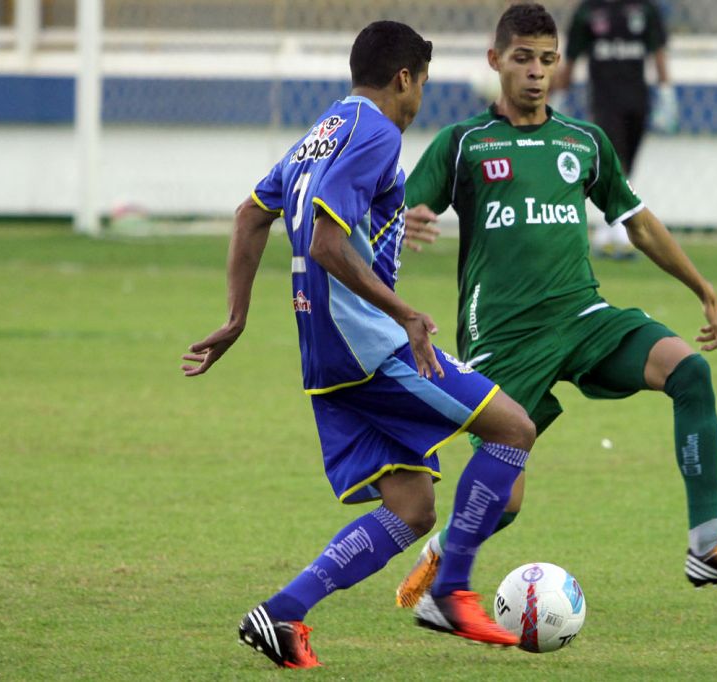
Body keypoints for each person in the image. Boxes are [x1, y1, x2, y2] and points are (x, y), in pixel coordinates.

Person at [396, 3, 717, 611]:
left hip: (583, 318)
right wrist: (406, 216)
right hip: (502, 340)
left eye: (547, 60)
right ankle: (443, 557)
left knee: (689, 371)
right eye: (523, 58)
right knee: (505, 503)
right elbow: (395, 203)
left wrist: (702, 288)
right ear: (494, 60)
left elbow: (636, 221)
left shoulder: (583, 142)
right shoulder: (464, 145)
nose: (536, 72)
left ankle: (707, 545)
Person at [181, 21, 536, 668]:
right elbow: (323, 240)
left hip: (323, 354)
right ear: (403, 78)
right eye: (420, 86)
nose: (418, 101)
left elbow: (250, 215)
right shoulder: (377, 131)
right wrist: (404, 313)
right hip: (367, 346)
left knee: (411, 505)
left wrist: (236, 318)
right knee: (513, 429)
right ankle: (451, 590)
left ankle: (282, 613)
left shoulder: (323, 131)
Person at [553, 0, 677, 259]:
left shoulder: (645, 9)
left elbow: (658, 52)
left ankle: (605, 230)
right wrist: (559, 96)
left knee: (627, 166)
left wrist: (666, 92)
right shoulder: (588, 10)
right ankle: (620, 233)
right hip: (603, 100)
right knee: (614, 161)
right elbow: (572, 57)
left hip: (637, 99)